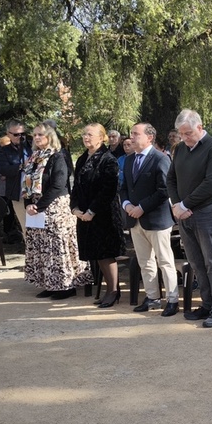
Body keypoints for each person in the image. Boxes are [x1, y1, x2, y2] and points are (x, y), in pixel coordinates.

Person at [166, 110, 212, 328]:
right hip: (184, 215)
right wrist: (176, 205)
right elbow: (171, 179)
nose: (185, 138)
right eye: (182, 134)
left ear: (200, 127)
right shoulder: (180, 149)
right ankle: (207, 303)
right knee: (196, 263)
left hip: (207, 213)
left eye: (189, 133)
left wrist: (185, 204)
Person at [22, 122, 91, 299]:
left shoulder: (57, 157)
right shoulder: (34, 158)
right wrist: (29, 203)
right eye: (35, 135)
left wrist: (39, 205)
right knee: (42, 247)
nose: (37, 138)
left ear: (50, 137)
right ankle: (50, 284)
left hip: (55, 206)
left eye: (41, 135)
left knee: (56, 246)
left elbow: (58, 185)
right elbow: (27, 184)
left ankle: (66, 285)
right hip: (36, 207)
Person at [120, 123, 180, 316]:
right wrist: (127, 205)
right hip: (134, 220)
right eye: (131, 134)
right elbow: (123, 188)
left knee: (165, 261)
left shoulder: (160, 159)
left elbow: (164, 190)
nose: (132, 137)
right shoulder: (129, 161)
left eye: (136, 134)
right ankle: (153, 298)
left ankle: (172, 300)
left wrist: (142, 207)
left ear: (149, 137)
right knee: (145, 261)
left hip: (156, 220)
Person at [72, 123, 127, 309]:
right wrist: (75, 208)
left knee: (106, 254)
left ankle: (113, 291)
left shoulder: (108, 159)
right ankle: (110, 289)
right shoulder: (82, 158)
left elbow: (108, 190)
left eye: (90, 134)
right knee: (96, 254)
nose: (86, 137)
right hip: (85, 214)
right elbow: (76, 187)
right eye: (84, 134)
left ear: (101, 137)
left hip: (103, 215)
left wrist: (92, 211)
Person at [0, 121, 31, 241]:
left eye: (23, 134)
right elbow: (4, 169)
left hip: (35, 193)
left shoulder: (32, 147)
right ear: (8, 134)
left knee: (39, 226)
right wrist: (21, 166)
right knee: (26, 226)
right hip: (18, 193)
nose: (20, 137)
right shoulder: (4, 151)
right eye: (16, 134)